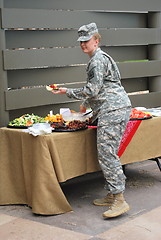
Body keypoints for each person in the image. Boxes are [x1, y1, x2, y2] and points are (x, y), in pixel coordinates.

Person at [53, 22, 132, 218]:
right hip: (115, 107)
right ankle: (112, 194)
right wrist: (86, 103)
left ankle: (120, 200)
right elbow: (103, 85)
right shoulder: (101, 57)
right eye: (80, 41)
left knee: (107, 154)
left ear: (96, 41)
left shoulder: (97, 60)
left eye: (86, 41)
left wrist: (67, 92)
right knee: (108, 152)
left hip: (111, 110)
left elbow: (93, 89)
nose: (83, 44)